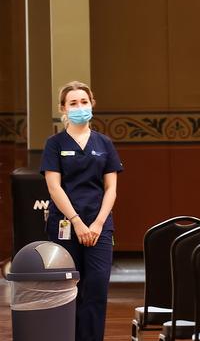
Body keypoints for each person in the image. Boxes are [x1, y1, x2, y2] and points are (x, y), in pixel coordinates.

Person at [40, 81, 123, 341]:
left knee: (96, 288)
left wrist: (97, 224)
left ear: (92, 104)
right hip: (65, 225)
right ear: (62, 109)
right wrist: (76, 222)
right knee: (67, 288)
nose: (79, 107)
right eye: (73, 103)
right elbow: (54, 188)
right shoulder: (54, 144)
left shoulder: (104, 143)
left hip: (99, 226)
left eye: (84, 102)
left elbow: (111, 189)